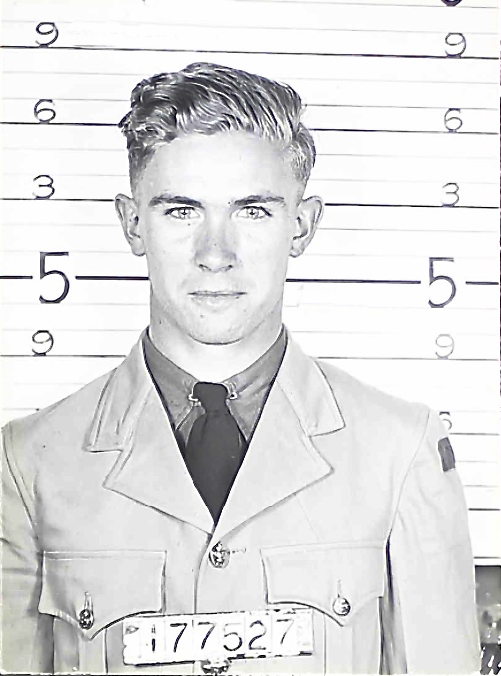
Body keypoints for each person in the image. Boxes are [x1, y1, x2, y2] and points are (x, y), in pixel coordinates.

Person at [1, 62, 480, 675]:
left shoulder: (400, 451)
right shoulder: (29, 463)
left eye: (252, 211)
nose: (216, 254)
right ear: (131, 223)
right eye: (181, 211)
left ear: (301, 226)